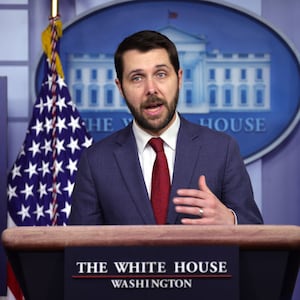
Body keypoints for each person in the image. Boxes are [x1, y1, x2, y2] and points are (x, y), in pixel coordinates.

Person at [68, 30, 263, 226]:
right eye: (137, 78)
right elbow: (80, 249)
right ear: (120, 88)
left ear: (179, 79)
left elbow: (256, 234)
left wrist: (231, 221)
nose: (151, 89)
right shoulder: (95, 161)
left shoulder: (222, 149)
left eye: (161, 74)